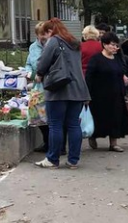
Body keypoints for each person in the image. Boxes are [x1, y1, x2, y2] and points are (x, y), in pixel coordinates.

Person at [34, 17, 91, 169]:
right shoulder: (75, 43)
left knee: (55, 125)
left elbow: (43, 62)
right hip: (78, 89)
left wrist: (39, 74)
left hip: (59, 89)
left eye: (44, 34)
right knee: (73, 125)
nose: (44, 38)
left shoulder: (54, 41)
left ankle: (52, 159)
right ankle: (73, 160)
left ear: (50, 31)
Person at [85, 31, 128, 152]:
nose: (114, 47)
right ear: (104, 44)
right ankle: (93, 136)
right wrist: (87, 94)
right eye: (112, 44)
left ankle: (113, 143)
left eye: (116, 45)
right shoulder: (96, 59)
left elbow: (121, 72)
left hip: (116, 93)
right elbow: (89, 77)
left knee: (116, 117)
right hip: (99, 95)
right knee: (99, 117)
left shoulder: (117, 59)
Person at [25, 22, 65, 155]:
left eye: (44, 33)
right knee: (38, 116)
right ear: (37, 34)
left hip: (52, 84)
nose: (43, 36)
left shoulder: (55, 44)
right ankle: (47, 142)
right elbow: (29, 64)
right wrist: (29, 73)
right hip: (38, 87)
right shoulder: (33, 47)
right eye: (40, 34)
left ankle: (60, 146)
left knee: (55, 116)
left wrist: (41, 72)